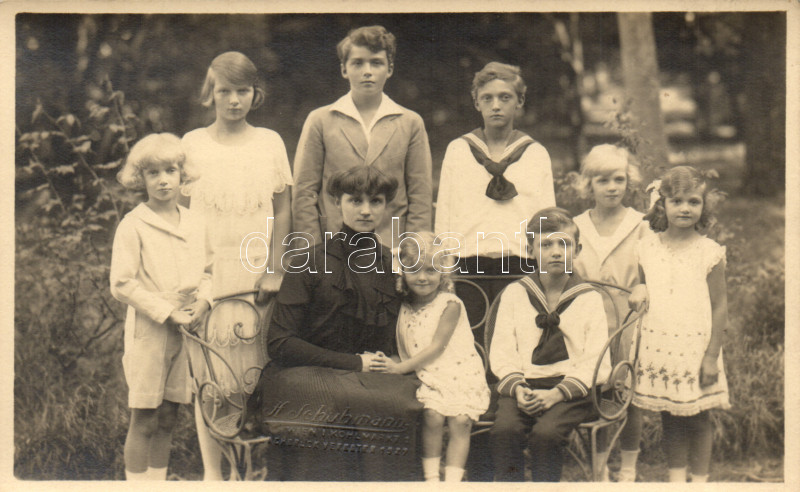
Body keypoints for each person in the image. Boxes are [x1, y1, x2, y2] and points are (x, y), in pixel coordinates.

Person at [247, 166, 423, 481]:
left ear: (387, 206)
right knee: (338, 402)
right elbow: (280, 343)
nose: (367, 210)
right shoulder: (309, 261)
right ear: (336, 203)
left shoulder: (392, 265)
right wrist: (354, 362)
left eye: (376, 201)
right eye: (355, 200)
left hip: (368, 378)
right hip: (303, 374)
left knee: (401, 401)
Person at [180, 51, 293, 480]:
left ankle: (254, 470)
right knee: (210, 378)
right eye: (224, 91)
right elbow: (180, 217)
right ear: (210, 93)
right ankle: (214, 475)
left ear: (255, 94)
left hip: (255, 274)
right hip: (208, 277)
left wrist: (275, 267)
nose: (233, 100)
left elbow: (282, 212)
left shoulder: (269, 142)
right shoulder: (192, 144)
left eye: (242, 91)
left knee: (253, 374)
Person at [110, 133, 213, 480]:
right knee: (145, 415)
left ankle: (158, 481)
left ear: (183, 175)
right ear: (141, 179)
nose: (164, 180)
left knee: (170, 413)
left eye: (170, 170)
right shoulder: (134, 224)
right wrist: (165, 312)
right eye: (153, 173)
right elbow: (122, 283)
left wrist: (204, 302)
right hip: (150, 330)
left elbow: (210, 270)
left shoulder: (196, 222)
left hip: (187, 328)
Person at [489, 207, 610, 481]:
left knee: (546, 435)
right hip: (525, 386)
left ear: (576, 250)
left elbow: (597, 360)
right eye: (546, 244)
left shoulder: (588, 298)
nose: (556, 252)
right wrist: (518, 388)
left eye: (564, 244)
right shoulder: (515, 293)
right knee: (504, 430)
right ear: (531, 250)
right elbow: (502, 351)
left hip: (572, 390)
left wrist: (556, 394)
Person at [434, 61, 555, 330]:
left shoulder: (536, 153)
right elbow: (444, 212)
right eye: (487, 98)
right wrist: (445, 266)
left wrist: (544, 268)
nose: (496, 105)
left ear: (520, 101)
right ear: (476, 103)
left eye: (505, 97)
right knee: (471, 337)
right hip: (468, 264)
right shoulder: (458, 150)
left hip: (518, 264)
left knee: (515, 335)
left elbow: (547, 219)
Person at [628, 166, 729, 483]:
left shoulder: (709, 252)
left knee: (699, 417)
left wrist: (711, 356)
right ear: (663, 204)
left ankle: (698, 482)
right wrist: (638, 290)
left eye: (693, 201)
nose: (685, 208)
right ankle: (675, 481)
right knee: (669, 414)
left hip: (695, 347)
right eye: (677, 201)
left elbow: (719, 305)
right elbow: (644, 287)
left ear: (703, 207)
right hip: (660, 345)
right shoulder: (647, 248)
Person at [292, 25, 432, 247]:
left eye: (376, 63)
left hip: (391, 248)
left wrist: (412, 251)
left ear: (390, 68)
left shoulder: (410, 122)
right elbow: (304, 192)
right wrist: (314, 252)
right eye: (357, 63)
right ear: (344, 69)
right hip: (334, 247)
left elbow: (420, 195)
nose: (367, 71)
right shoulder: (321, 120)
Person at [380, 232, 490, 482]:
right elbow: (406, 345)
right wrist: (396, 363)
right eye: (415, 270)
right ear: (403, 273)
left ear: (443, 273)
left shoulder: (449, 304)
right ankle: (431, 479)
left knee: (461, 420)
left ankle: (451, 482)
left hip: (459, 371)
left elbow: (437, 347)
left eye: (431, 270)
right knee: (432, 415)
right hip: (426, 374)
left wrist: (401, 368)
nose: (422, 278)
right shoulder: (402, 305)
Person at [571, 144, 650, 481]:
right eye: (603, 180)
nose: (612, 187)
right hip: (586, 322)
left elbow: (652, 272)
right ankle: (599, 464)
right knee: (596, 390)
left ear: (628, 182)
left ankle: (629, 467)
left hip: (629, 320)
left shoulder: (641, 224)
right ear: (589, 185)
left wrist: (644, 286)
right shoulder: (575, 226)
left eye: (619, 179)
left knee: (628, 392)